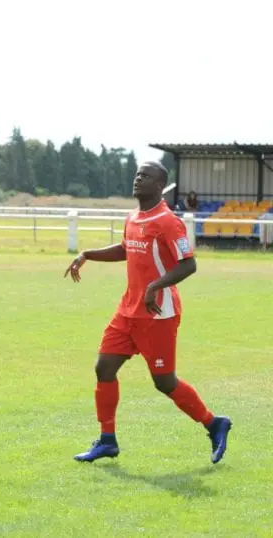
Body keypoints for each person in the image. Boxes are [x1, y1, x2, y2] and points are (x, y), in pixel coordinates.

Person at [64, 161, 232, 464]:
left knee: (164, 382)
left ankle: (213, 423)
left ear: (159, 185)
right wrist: (86, 254)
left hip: (158, 313)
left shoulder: (169, 222)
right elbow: (126, 249)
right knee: (104, 368)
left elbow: (188, 264)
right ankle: (107, 440)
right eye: (137, 174)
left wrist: (155, 285)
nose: (138, 178)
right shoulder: (133, 217)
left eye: (146, 176)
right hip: (128, 310)